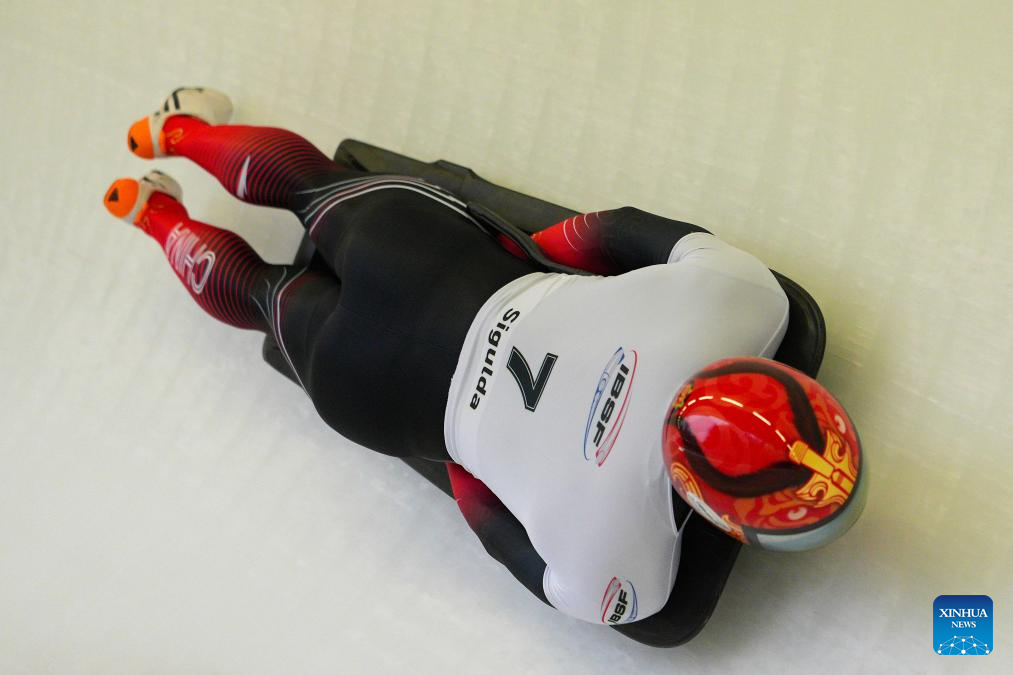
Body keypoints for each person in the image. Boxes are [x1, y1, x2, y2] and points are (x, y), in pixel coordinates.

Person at [104, 87, 796, 625]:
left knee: (308, 184)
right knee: (262, 295)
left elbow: (608, 229)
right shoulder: (627, 582)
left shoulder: (751, 300)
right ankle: (155, 216)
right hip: (376, 390)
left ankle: (178, 132)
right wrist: (463, 455)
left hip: (428, 263)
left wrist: (526, 259)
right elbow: (488, 526)